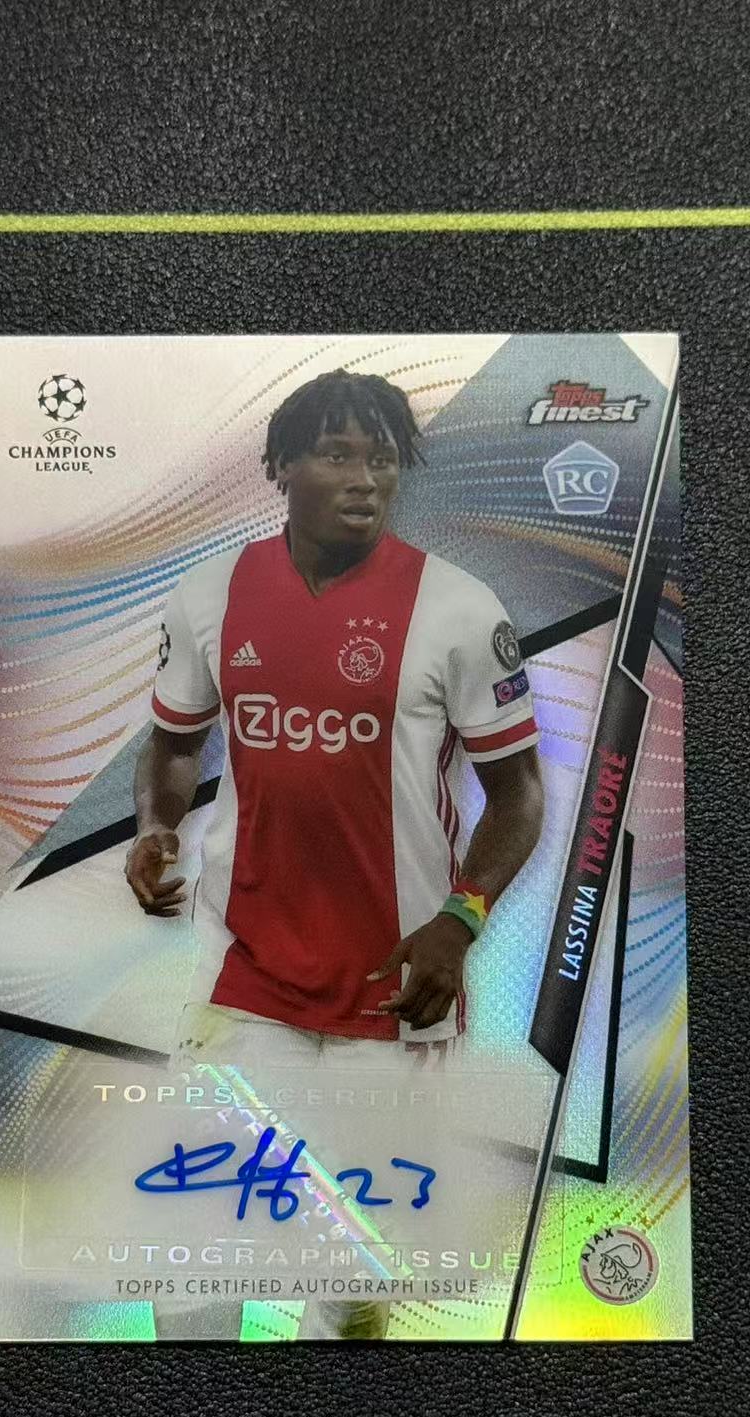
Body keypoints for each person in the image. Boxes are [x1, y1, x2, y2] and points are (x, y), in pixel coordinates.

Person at [126, 368, 545, 1074]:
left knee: (379, 1155)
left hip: (404, 981)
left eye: (382, 460)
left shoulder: (461, 609)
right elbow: (173, 744)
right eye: (337, 456)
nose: (364, 481)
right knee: (211, 1151)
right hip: (242, 976)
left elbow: (519, 792)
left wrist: (461, 918)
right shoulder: (210, 594)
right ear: (282, 466)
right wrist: (152, 825)